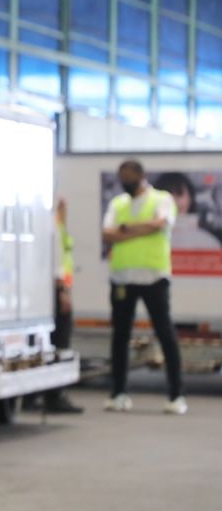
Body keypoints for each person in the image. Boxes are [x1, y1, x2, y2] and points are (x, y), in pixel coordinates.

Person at [102, 160, 187, 415]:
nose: (124, 181)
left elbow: (159, 224)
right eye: (122, 177)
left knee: (165, 335)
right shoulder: (118, 203)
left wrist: (125, 229)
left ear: (141, 176)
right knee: (120, 337)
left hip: (154, 277)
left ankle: (176, 395)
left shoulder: (162, 199)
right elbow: (108, 234)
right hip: (123, 279)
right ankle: (118, 393)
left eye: (128, 177)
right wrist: (141, 228)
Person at [37, 198, 82, 413]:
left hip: (46, 290)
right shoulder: (53, 225)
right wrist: (63, 292)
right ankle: (55, 394)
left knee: (47, 343)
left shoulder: (52, 223)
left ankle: (35, 395)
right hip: (56, 290)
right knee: (60, 343)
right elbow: (56, 262)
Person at [152, 171, 220, 250]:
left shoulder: (209, 242)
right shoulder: (148, 239)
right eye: (168, 195)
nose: (174, 201)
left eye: (179, 194)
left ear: (190, 197)